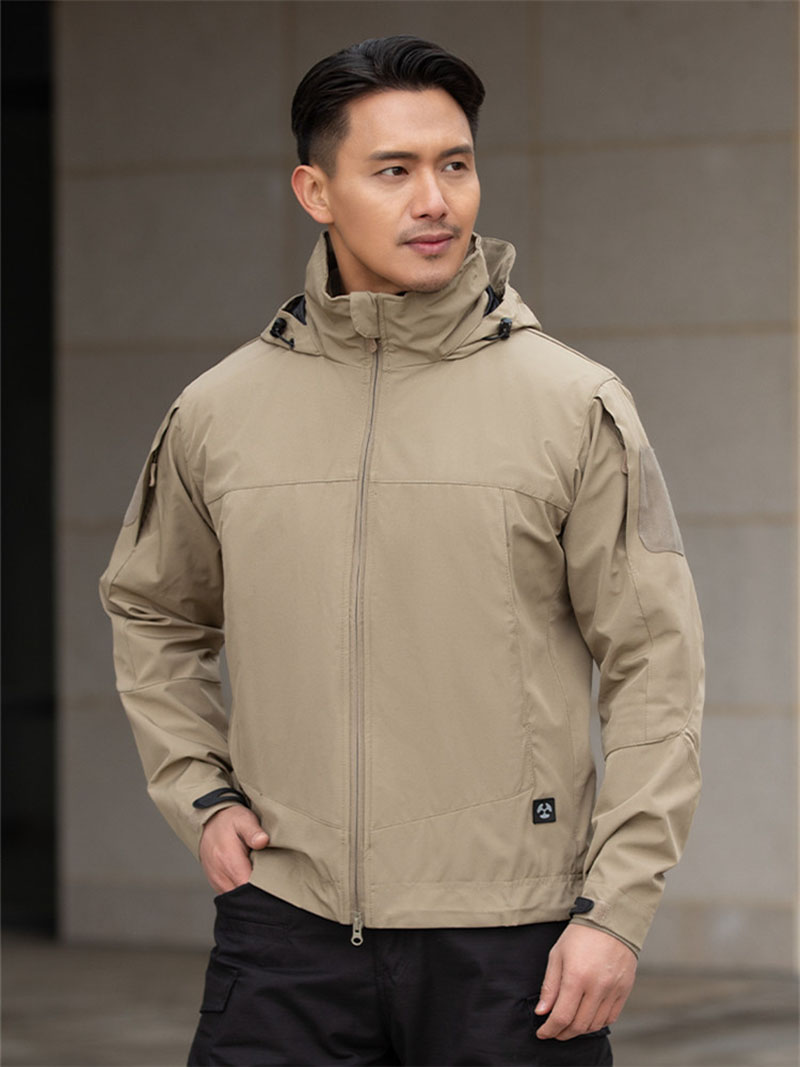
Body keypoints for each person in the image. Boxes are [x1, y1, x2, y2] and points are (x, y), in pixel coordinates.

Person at [100, 35, 704, 1067]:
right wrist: (199, 791)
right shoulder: (218, 411)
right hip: (286, 928)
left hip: (511, 939)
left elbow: (655, 662)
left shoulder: (571, 404)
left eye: (454, 164)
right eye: (393, 170)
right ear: (316, 191)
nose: (435, 200)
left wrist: (616, 907)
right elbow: (154, 610)